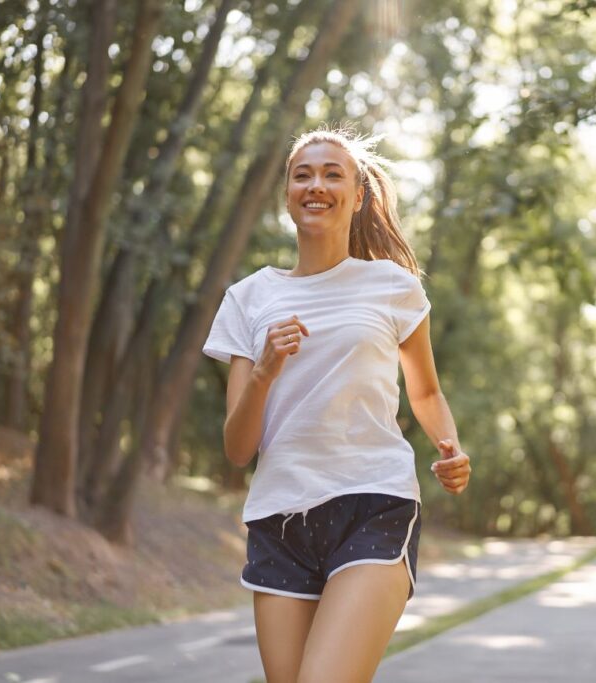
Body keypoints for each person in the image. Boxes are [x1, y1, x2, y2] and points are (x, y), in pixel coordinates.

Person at [202, 126, 472, 683]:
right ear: (287, 194)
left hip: (374, 501)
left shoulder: (392, 287)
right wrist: (265, 372)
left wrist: (450, 446)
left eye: (332, 174)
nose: (316, 184)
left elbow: (424, 390)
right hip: (279, 519)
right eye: (302, 174)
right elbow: (236, 448)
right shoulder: (248, 299)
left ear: (357, 194)